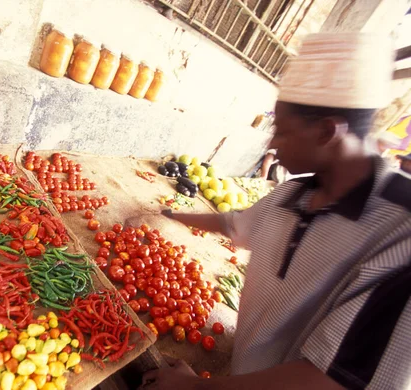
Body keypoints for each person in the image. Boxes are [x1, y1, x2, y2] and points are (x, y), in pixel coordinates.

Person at [143, 33, 411, 389]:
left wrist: (193, 387)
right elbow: (235, 224)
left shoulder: (400, 230)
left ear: (328, 132)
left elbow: (332, 381)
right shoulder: (293, 193)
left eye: (282, 131)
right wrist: (172, 216)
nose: (271, 144)